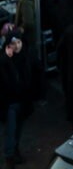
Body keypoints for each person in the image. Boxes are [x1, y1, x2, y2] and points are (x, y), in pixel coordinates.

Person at [0, 31, 41, 168]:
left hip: (23, 100)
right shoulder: (5, 60)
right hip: (10, 102)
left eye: (19, 42)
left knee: (18, 129)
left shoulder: (26, 56)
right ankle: (9, 155)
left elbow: (33, 75)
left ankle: (14, 152)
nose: (17, 46)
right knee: (11, 131)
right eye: (14, 43)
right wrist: (6, 59)